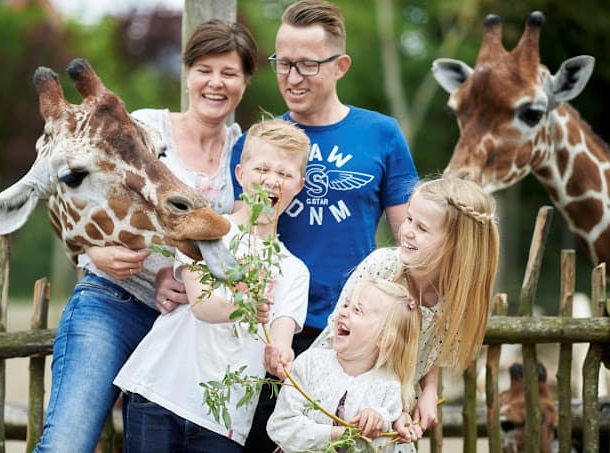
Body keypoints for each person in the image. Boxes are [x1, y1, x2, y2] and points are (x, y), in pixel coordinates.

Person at [33, 20, 258, 452]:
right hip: (117, 302)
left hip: (188, 327)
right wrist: (91, 254)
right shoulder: (143, 127)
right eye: (204, 69)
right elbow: (75, 193)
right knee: (67, 442)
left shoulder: (246, 151)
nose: (216, 83)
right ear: (186, 72)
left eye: (230, 73)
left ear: (246, 81)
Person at [230, 2, 418, 449]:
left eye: (307, 65)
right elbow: (240, 233)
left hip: (352, 335)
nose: (291, 77)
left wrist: (420, 377)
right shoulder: (262, 143)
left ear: (340, 66)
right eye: (282, 63)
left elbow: (412, 250)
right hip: (274, 334)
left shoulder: (381, 134)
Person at [114, 119, 311, 452]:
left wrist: (279, 356)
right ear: (240, 174)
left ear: (299, 185)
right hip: (160, 391)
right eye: (262, 168)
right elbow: (203, 305)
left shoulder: (293, 271)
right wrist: (246, 307)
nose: (272, 180)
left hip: (223, 420)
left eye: (285, 174)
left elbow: (280, 335)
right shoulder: (205, 232)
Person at [312, 177, 500, 447]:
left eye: (422, 227)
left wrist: (429, 390)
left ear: (456, 246)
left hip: (386, 421)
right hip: (332, 406)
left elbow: (431, 347)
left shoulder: (456, 303)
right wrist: (385, 408)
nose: (407, 230)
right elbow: (337, 338)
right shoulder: (382, 269)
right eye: (409, 219)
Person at [267, 279, 422, 453]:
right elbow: (281, 426)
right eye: (347, 304)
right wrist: (335, 433)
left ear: (383, 338)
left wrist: (378, 419)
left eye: (357, 310)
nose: (342, 312)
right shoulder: (309, 363)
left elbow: (387, 438)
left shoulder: (388, 385)